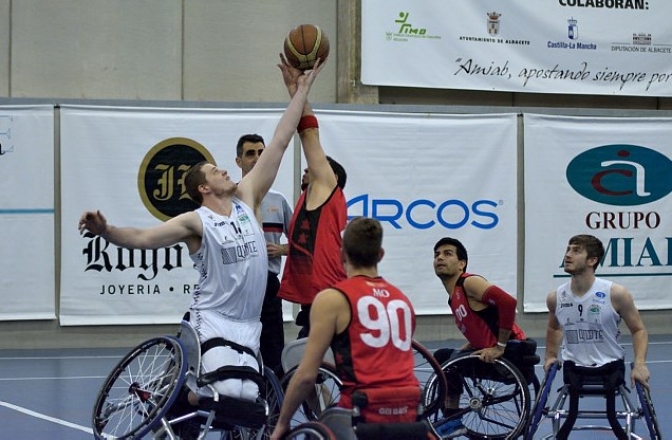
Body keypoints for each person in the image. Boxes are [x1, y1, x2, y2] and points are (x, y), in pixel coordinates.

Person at [78, 59, 323, 408]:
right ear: (203, 188)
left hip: (250, 324)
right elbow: (143, 239)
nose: (224, 170)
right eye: (214, 171)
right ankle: (171, 402)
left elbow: (282, 140)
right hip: (214, 321)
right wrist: (106, 230)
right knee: (216, 396)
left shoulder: (247, 198)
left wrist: (301, 91)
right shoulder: (196, 221)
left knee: (248, 401)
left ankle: (182, 397)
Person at [271, 217, 420, 440]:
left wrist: (282, 424)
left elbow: (306, 376)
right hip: (410, 411)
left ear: (341, 254)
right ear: (380, 255)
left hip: (363, 412)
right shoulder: (402, 300)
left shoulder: (333, 299)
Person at [543, 234, 650, 439]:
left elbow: (639, 330)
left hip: (610, 366)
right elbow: (554, 328)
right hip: (574, 367)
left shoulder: (616, 293)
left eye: (576, 250)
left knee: (613, 417)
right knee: (569, 416)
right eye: (568, 249)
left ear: (592, 260)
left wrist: (640, 364)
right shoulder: (555, 297)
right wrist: (550, 356)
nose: (568, 255)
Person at [276, 53, 348, 339]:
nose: (309, 166)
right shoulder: (306, 199)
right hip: (313, 295)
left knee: (304, 370)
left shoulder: (328, 189)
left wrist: (297, 91)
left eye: (317, 166)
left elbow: (308, 136)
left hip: (329, 293)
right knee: (311, 372)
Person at [431, 236, 531, 438]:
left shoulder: (469, 282)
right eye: (437, 255)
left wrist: (499, 346)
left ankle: (451, 419)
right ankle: (451, 418)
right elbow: (484, 324)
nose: (440, 258)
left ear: (462, 264)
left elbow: (508, 303)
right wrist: (470, 346)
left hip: (511, 355)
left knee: (447, 360)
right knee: (446, 356)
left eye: (447, 253)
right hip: (495, 355)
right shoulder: (454, 295)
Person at [235, 133, 293, 378]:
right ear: (238, 161)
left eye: (261, 152)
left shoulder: (278, 201)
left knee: (273, 352)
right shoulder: (227, 199)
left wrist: (281, 249)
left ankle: (275, 409)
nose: (257, 159)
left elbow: (305, 243)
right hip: (238, 285)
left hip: (269, 285)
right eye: (250, 154)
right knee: (238, 349)